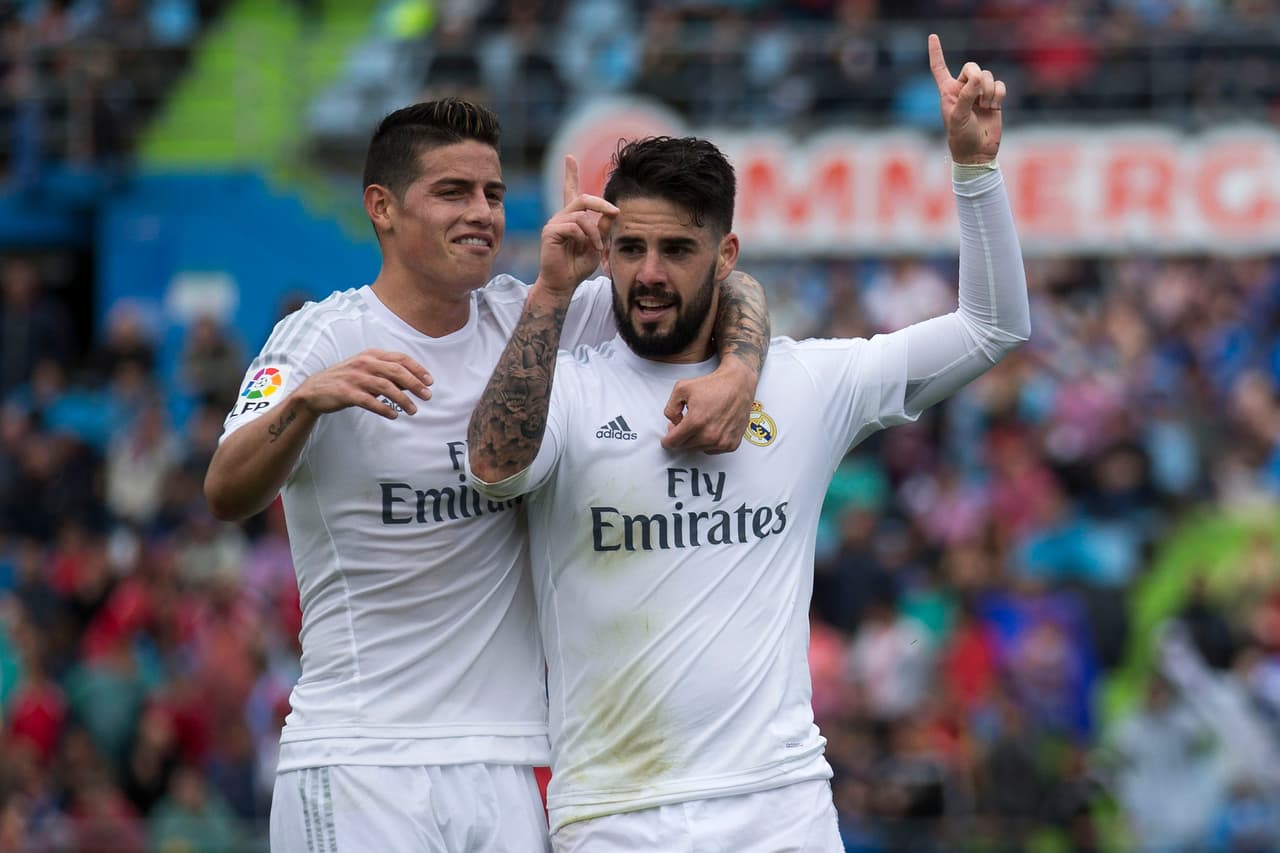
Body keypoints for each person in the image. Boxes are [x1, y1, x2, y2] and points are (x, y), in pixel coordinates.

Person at [466, 35, 1029, 850]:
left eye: (676, 250)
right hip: (613, 816)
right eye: (629, 249)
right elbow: (493, 468)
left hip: (781, 806)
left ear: (725, 256)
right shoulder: (573, 387)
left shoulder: (806, 385)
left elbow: (993, 326)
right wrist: (553, 290)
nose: (648, 273)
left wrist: (975, 171)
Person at [202, 98, 771, 852]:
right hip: (362, 758)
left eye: (494, 195)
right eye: (453, 192)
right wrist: (306, 403)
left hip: (506, 764)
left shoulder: (533, 314)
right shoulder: (320, 337)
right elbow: (225, 490)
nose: (482, 213)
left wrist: (739, 368)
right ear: (382, 208)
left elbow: (723, 281)